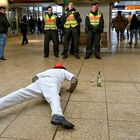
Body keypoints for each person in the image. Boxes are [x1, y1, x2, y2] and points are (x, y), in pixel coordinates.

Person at [0, 63, 78, 129]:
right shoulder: (63, 71)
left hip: (39, 82)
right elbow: (74, 80)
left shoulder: (48, 70)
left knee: (20, 94)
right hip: (51, 83)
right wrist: (70, 90)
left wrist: (42, 91)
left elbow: (34, 78)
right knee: (54, 97)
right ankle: (58, 115)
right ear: (63, 68)